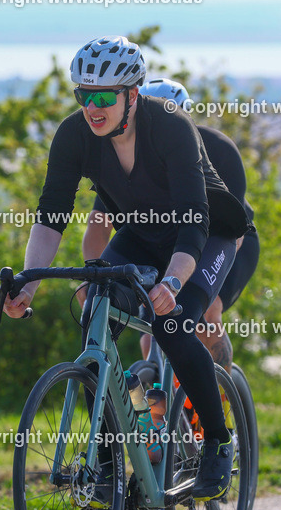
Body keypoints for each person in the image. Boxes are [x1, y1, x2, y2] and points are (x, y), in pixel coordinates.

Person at [4, 37, 253, 502]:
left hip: (206, 236)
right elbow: (51, 216)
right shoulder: (74, 135)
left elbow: (194, 222)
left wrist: (174, 282)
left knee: (174, 324)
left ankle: (218, 441)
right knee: (94, 315)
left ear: (132, 95)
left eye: (103, 96)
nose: (91, 107)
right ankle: (105, 461)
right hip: (141, 237)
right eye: (83, 95)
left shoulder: (171, 127)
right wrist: (29, 283)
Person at [80, 78, 259, 372]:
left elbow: (232, 232)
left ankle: (222, 400)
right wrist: (94, 275)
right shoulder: (125, 157)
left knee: (206, 313)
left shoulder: (216, 150)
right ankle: (158, 407)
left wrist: (185, 281)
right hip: (164, 243)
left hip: (229, 240)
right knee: (149, 337)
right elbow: (98, 228)